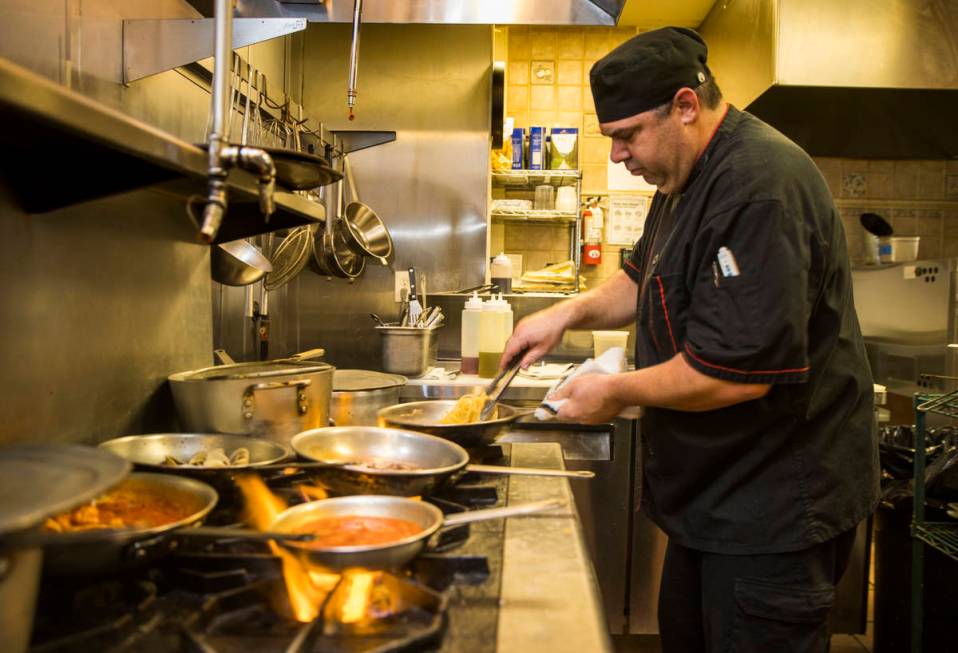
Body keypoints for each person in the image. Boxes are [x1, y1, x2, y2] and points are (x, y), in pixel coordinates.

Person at [501, 27, 880, 653]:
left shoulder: (760, 187)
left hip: (773, 512)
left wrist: (614, 392)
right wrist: (563, 315)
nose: (619, 155)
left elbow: (734, 372)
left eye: (627, 135)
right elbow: (639, 277)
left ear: (684, 106)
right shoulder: (681, 179)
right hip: (713, 500)